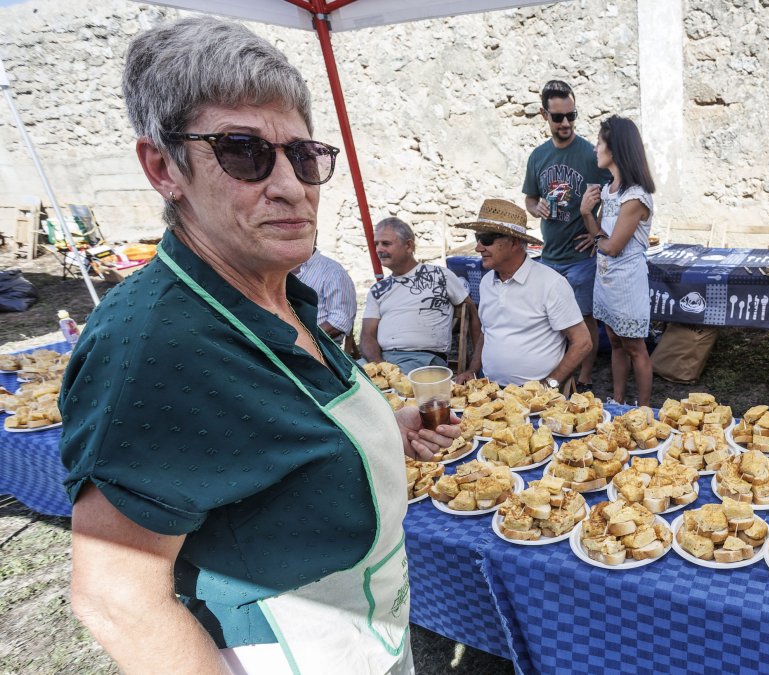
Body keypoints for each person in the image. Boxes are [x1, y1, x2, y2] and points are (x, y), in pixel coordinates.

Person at [59, 17, 458, 674]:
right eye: (244, 151)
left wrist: (387, 427)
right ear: (164, 166)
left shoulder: (279, 290)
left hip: (371, 642)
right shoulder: (153, 347)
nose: (291, 186)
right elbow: (115, 599)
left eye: (303, 156)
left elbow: (272, 440)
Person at [522, 79, 609, 391]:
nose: (566, 123)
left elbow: (618, 196)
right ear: (544, 115)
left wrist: (598, 233)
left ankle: (583, 380)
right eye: (558, 117)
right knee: (551, 322)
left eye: (572, 116)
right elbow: (530, 199)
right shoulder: (538, 157)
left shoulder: (590, 154)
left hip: (580, 258)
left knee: (584, 321)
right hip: (549, 256)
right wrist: (536, 208)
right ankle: (559, 374)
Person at [455, 199, 591, 388]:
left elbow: (583, 342)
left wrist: (549, 384)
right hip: (490, 391)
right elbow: (487, 333)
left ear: (514, 242)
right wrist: (472, 370)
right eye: (478, 238)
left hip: (533, 398)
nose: (478, 247)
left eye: (486, 239)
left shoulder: (550, 283)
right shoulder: (487, 282)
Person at [580, 116, 656, 405]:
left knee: (635, 347)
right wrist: (589, 215)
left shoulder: (636, 196)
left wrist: (591, 223)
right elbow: (600, 236)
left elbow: (610, 246)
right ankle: (619, 400)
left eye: (599, 142)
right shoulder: (611, 189)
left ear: (616, 149)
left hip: (626, 282)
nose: (595, 148)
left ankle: (645, 409)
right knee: (614, 341)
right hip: (607, 279)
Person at [360, 217, 480, 375]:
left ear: (408, 246)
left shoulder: (440, 276)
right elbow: (367, 335)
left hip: (423, 360)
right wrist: (380, 365)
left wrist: (475, 368)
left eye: (386, 243)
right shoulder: (378, 289)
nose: (379, 250)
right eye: (377, 244)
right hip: (382, 360)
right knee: (340, 379)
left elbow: (472, 315)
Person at [292, 244, 356, 346]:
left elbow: (338, 322)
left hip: (318, 348)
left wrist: (302, 339)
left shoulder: (333, 272)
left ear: (313, 235)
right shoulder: (274, 269)